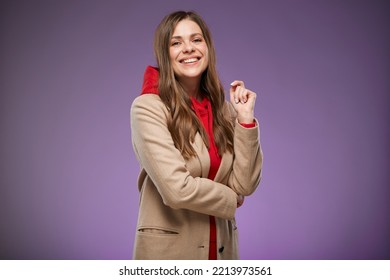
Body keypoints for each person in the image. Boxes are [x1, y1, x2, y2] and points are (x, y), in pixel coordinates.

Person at [130, 10, 263, 260]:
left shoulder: (223, 109)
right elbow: (176, 189)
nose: (188, 48)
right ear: (165, 54)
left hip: (222, 250)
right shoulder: (148, 107)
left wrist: (245, 121)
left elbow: (244, 184)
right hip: (170, 255)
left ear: (208, 47)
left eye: (196, 39)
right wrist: (230, 198)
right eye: (176, 42)